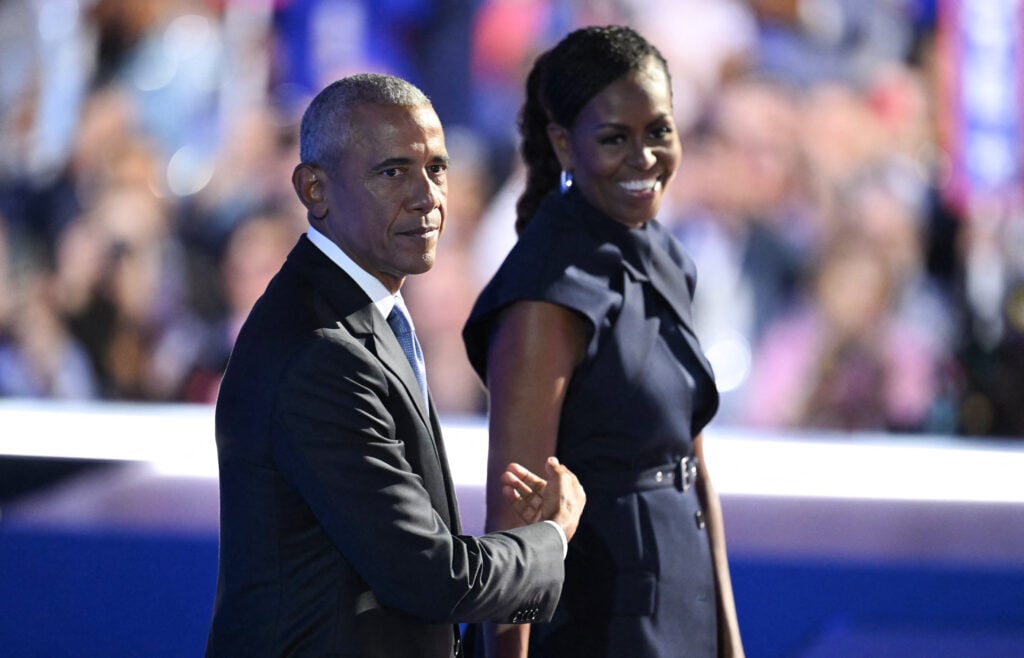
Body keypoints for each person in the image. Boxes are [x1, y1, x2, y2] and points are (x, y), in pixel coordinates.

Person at [206, 73, 586, 658]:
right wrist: (549, 539)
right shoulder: (320, 352)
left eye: (437, 168)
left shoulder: (360, 314)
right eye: (392, 172)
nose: (427, 196)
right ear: (314, 189)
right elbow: (429, 577)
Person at [463, 26, 743, 657]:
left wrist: (729, 637)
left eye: (659, 131)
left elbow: (692, 464)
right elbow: (514, 518)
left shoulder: (668, 256)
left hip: (680, 609)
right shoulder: (544, 294)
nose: (645, 158)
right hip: (594, 625)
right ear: (564, 144)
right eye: (615, 137)